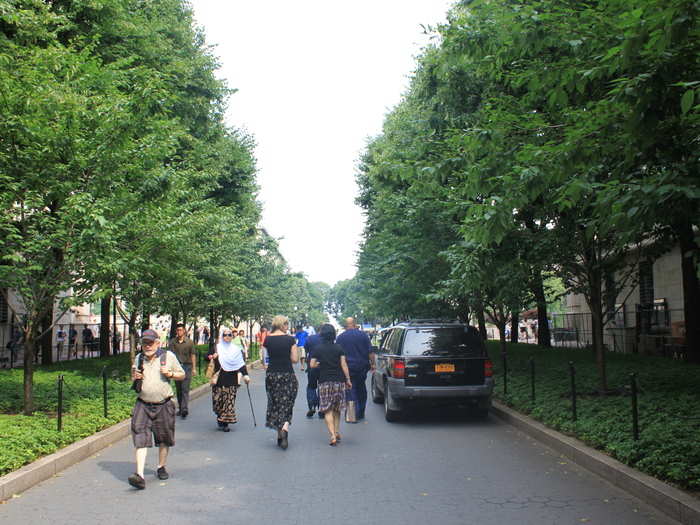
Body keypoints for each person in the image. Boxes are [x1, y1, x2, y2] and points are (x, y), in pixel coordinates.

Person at [128, 329, 185, 490]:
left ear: (158, 343)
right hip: (143, 403)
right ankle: (139, 475)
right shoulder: (139, 358)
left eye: (150, 342)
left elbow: (182, 375)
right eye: (144, 343)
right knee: (140, 436)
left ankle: (161, 466)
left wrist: (171, 373)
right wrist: (135, 376)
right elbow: (133, 376)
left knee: (164, 437)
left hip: (164, 403)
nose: (147, 346)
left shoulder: (168, 357)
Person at [309, 324, 352, 446]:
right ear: (333, 334)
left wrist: (321, 364)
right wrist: (348, 379)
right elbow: (344, 365)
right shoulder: (339, 348)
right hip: (339, 381)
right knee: (337, 409)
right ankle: (337, 431)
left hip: (324, 382)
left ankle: (332, 435)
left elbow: (312, 364)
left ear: (322, 334)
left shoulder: (318, 349)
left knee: (327, 410)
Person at [262, 315, 298, 449]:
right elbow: (295, 359)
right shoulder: (290, 339)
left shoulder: (267, 339)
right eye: (286, 324)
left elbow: (265, 359)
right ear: (282, 325)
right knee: (288, 402)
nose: (287, 327)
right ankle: (285, 428)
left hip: (272, 374)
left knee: (275, 403)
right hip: (287, 374)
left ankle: (279, 435)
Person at [207, 329, 250, 431]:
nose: (227, 336)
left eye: (229, 335)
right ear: (222, 336)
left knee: (229, 401)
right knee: (217, 401)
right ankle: (220, 415)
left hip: (231, 378)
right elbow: (206, 356)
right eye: (225, 335)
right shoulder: (217, 347)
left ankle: (225, 422)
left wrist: (245, 375)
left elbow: (241, 364)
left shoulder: (235, 349)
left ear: (232, 336)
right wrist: (212, 356)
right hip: (218, 379)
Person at [336, 317, 375, 421]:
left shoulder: (340, 337)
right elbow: (370, 352)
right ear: (355, 324)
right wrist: (373, 364)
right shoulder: (363, 335)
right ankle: (361, 411)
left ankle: (352, 415)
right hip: (362, 366)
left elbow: (338, 355)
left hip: (347, 367)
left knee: (350, 389)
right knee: (361, 387)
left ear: (345, 325)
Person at [168, 323, 197, 419]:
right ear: (176, 331)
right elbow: (170, 355)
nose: (179, 332)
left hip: (187, 366)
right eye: (178, 330)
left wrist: (194, 368)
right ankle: (180, 408)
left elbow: (193, 355)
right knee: (179, 389)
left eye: (181, 330)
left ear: (184, 331)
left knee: (185, 388)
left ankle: (184, 409)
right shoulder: (172, 342)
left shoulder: (189, 342)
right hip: (176, 368)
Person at [304, 326, 322, 418]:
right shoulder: (327, 339)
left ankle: (311, 406)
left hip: (312, 365)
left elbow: (306, 349)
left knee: (311, 386)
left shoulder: (310, 338)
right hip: (323, 366)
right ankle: (321, 408)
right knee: (322, 387)